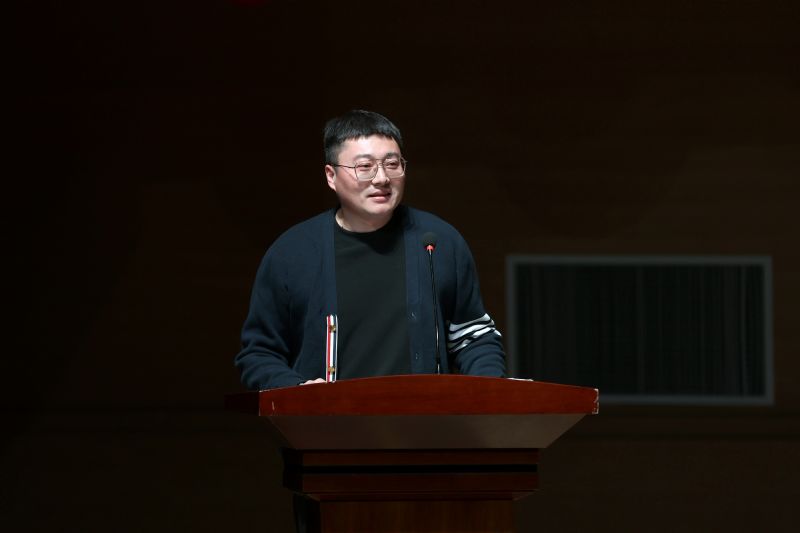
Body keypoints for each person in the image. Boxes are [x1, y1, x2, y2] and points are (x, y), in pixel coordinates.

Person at [234, 109, 505, 390]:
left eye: (392, 164)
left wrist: (490, 392)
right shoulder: (292, 252)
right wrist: (300, 391)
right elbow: (259, 355)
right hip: (328, 416)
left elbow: (475, 337)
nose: (382, 178)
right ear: (331, 176)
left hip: (423, 416)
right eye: (365, 167)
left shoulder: (438, 243)